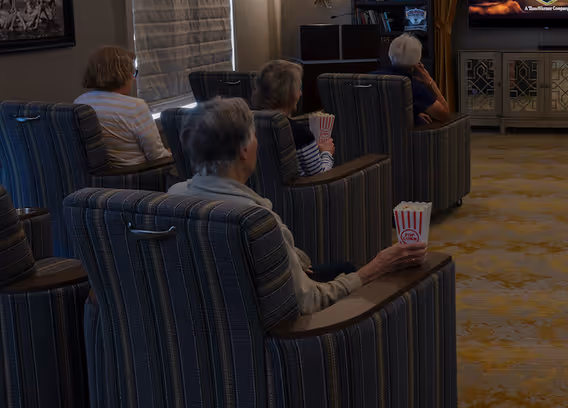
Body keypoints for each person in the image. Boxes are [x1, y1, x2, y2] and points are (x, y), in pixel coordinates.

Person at [168, 97, 427, 315]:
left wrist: (289, 255)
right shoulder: (256, 221)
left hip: (207, 322)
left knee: (342, 268)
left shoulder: (172, 197)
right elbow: (308, 301)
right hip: (282, 332)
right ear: (243, 150)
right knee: (359, 272)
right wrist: (377, 266)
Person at [75, 46, 171, 167]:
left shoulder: (80, 102)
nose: (134, 79)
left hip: (99, 180)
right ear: (123, 75)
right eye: (133, 73)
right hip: (140, 175)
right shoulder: (135, 106)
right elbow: (156, 156)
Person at [253, 59, 334, 176]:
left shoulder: (246, 124)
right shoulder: (299, 133)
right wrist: (327, 153)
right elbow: (319, 176)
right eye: (298, 88)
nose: (300, 94)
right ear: (289, 93)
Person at [374, 33, 449, 124]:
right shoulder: (413, 86)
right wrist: (430, 82)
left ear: (390, 54)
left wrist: (413, 114)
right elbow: (444, 115)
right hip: (401, 137)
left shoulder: (368, 78)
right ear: (417, 62)